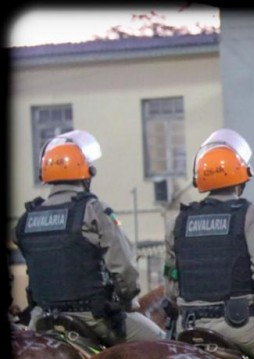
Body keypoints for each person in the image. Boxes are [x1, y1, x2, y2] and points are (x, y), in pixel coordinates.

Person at [13, 130, 165, 345]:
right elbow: (124, 268)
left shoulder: (26, 219)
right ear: (87, 173)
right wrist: (128, 300)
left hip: (41, 319)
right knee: (163, 342)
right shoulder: (94, 211)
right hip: (92, 318)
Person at [163, 128, 254, 359]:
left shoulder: (179, 221)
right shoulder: (250, 214)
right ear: (242, 179)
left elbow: (170, 286)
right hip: (241, 328)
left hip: (188, 329)